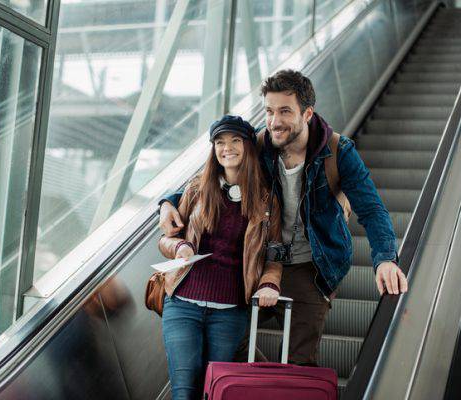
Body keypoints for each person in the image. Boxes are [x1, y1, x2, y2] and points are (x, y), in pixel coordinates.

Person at [159, 69, 409, 367]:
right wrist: (168, 202)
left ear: (307, 113)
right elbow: (211, 176)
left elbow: (371, 209)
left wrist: (384, 258)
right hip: (258, 262)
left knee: (299, 362)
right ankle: (265, 386)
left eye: (285, 111)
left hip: (311, 268)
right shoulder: (260, 145)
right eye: (269, 111)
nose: (275, 121)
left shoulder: (338, 152)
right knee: (227, 343)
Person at [158, 115, 283, 400]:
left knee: (215, 392)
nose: (227, 148)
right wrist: (179, 248)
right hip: (182, 304)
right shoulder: (196, 189)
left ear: (249, 146)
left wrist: (270, 283)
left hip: (229, 311)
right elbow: (166, 238)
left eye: (235, 141)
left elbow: (274, 253)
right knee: (184, 391)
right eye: (220, 142)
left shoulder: (265, 200)